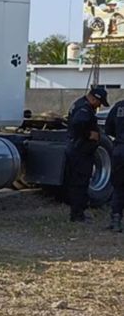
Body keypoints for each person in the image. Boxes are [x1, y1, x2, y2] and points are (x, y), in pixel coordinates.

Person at [66, 86, 109, 223]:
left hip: (77, 149)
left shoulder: (79, 104)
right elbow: (78, 123)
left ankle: (77, 212)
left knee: (77, 182)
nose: (98, 106)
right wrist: (89, 134)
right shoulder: (84, 108)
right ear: (93, 98)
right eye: (99, 102)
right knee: (80, 183)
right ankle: (77, 215)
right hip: (81, 151)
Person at [105, 97, 124, 232]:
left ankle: (115, 220)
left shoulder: (118, 107)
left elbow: (108, 129)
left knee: (118, 187)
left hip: (119, 151)